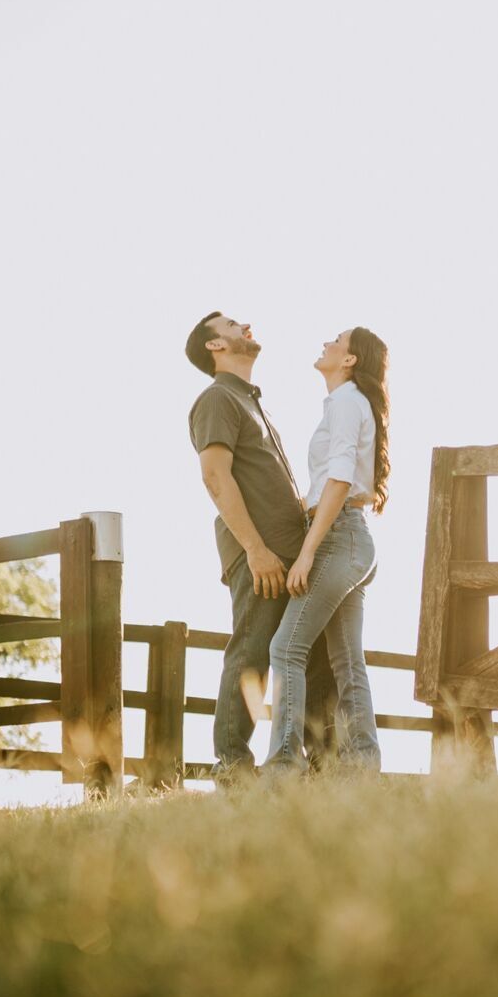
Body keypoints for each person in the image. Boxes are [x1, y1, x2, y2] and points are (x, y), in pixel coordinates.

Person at [185, 311, 337, 784]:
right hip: (262, 557)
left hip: (292, 554)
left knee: (314, 660)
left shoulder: (250, 402)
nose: (244, 325)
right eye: (231, 324)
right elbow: (215, 476)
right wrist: (254, 549)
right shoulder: (216, 399)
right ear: (215, 346)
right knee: (251, 653)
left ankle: (326, 768)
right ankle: (232, 766)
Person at [264, 326, 390, 775]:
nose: (326, 344)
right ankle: (363, 764)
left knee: (286, 649)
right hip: (352, 537)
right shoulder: (351, 403)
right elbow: (332, 483)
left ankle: (282, 765)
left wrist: (307, 552)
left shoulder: (345, 403)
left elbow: (339, 480)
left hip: (338, 538)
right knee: (347, 662)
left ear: (350, 359)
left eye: (336, 341)